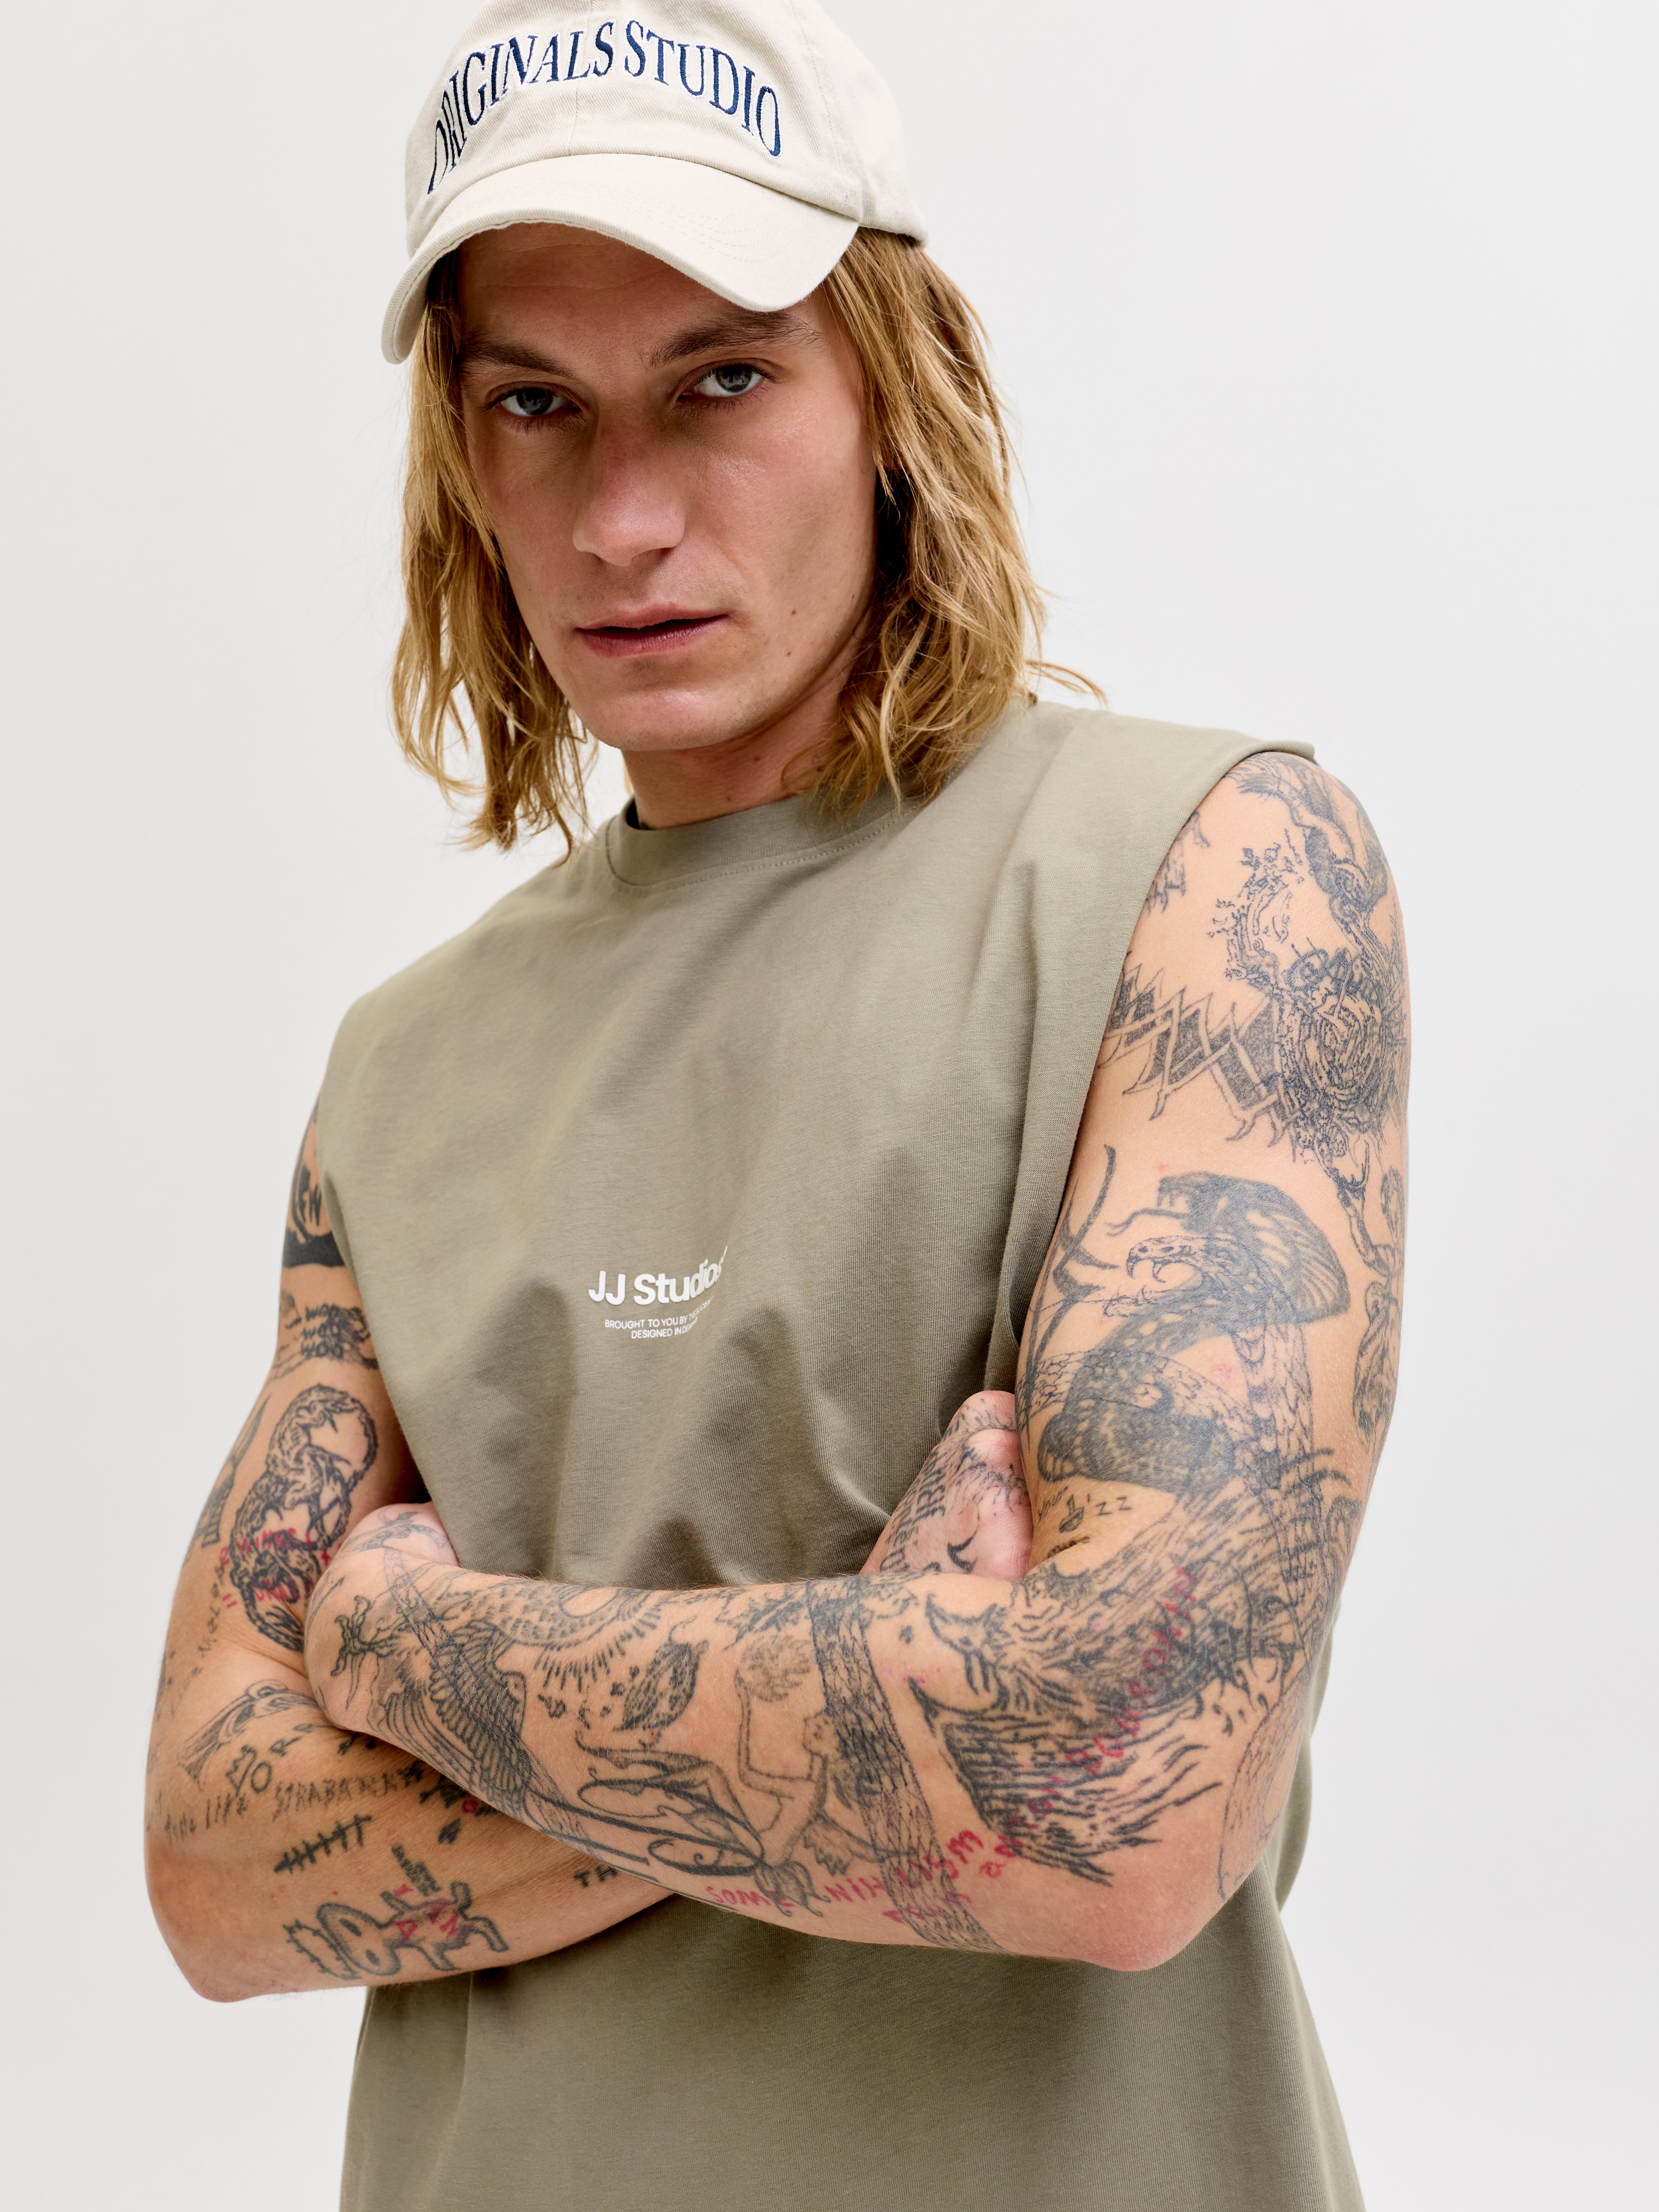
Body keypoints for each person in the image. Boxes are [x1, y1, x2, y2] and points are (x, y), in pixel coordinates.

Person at [145, 4, 1408, 2206]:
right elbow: (215, 1862)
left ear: (897, 391)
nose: (622, 516)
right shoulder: (404, 1058)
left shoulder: (1206, 874)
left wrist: (412, 1642)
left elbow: (1121, 1793)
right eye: (534, 404)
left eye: (720, 381)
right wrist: (892, 1695)